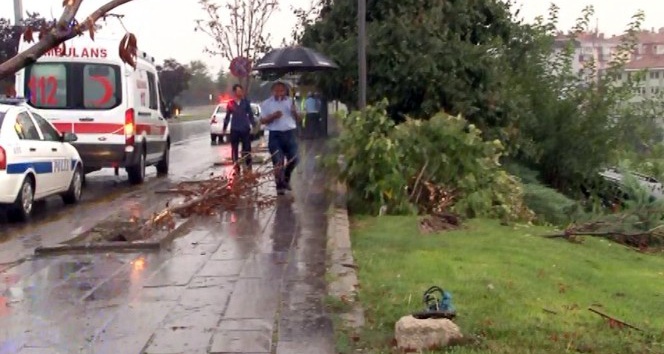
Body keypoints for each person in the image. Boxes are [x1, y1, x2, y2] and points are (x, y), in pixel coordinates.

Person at [259, 81, 300, 195]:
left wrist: (294, 112)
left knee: (295, 159)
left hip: (290, 134)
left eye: (281, 90)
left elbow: (299, 119)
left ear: (285, 91)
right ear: (272, 91)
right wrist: (273, 116)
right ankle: (279, 185)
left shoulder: (291, 102)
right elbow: (262, 120)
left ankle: (286, 177)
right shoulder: (267, 104)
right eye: (276, 90)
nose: (279, 93)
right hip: (275, 135)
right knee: (278, 161)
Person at [223, 84, 256, 171]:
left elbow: (250, 115)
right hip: (235, 129)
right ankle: (236, 166)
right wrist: (224, 127)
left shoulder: (246, 102)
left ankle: (248, 166)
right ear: (234, 92)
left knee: (247, 148)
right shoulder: (230, 103)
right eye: (238, 91)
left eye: (241, 91)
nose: (240, 93)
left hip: (245, 128)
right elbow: (227, 116)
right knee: (234, 148)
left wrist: (254, 125)